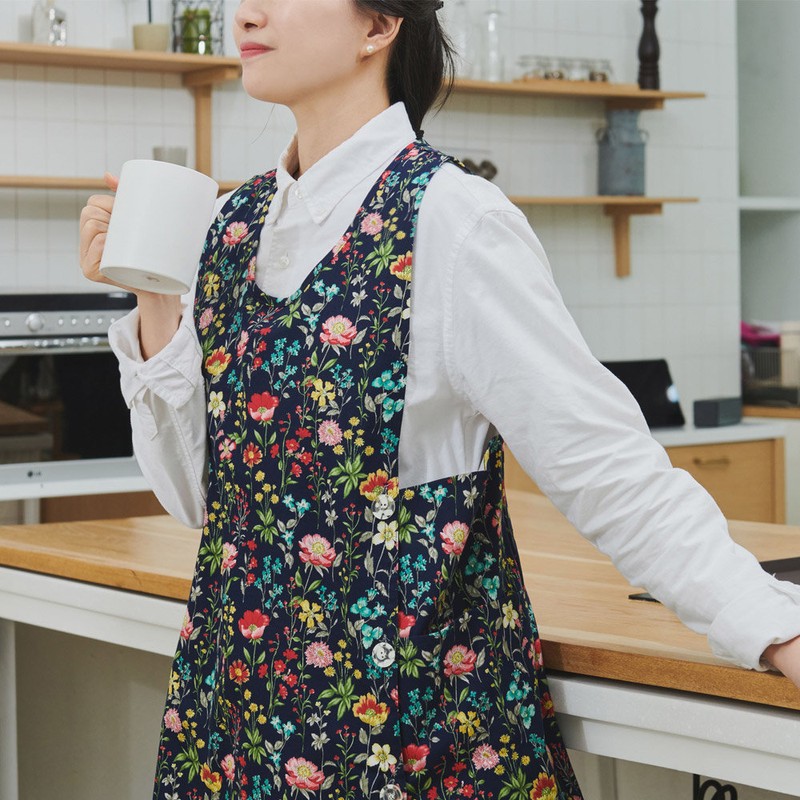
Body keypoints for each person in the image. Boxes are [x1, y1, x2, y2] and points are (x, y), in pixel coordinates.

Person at [79, 1, 800, 798]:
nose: (246, 9)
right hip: (237, 724)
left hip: (412, 736)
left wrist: (772, 626)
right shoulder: (230, 227)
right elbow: (202, 503)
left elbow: (605, 467)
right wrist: (154, 297)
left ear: (379, 26)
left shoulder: (452, 221)